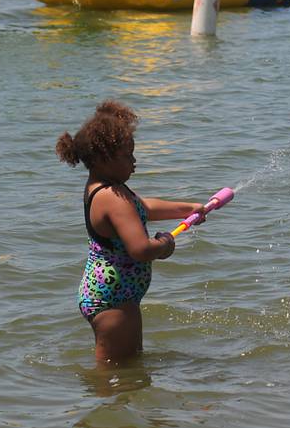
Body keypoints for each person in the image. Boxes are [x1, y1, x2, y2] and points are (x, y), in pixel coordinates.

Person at [56, 100, 205, 362]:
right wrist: (165, 244)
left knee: (130, 366)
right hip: (111, 302)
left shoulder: (109, 189)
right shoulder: (111, 197)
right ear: (104, 158)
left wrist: (188, 208)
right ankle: (102, 400)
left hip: (117, 296)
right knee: (113, 372)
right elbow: (141, 249)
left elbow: (143, 207)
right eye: (128, 156)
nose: (134, 162)